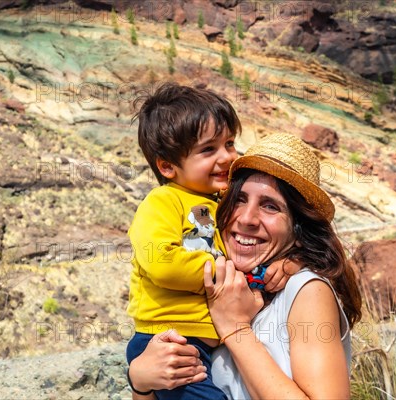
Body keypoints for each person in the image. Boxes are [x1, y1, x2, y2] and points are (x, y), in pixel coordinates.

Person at [128, 133, 362, 399]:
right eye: (239, 199)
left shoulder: (306, 291)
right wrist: (141, 383)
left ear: (298, 227)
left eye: (270, 206)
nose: (247, 218)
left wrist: (236, 330)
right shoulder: (229, 286)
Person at [126, 84, 296, 399]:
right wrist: (229, 272)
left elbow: (251, 249)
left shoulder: (221, 203)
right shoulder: (163, 201)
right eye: (209, 150)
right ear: (167, 166)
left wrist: (285, 263)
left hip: (201, 341)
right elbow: (162, 264)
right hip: (172, 340)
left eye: (230, 143)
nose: (228, 157)